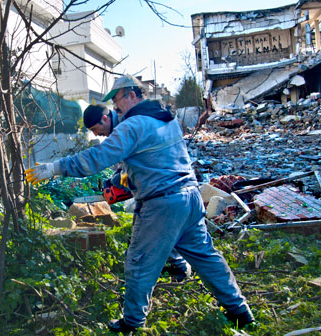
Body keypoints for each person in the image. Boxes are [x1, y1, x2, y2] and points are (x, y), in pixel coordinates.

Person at [27, 75, 254, 332]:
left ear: (132, 94)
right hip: (190, 197)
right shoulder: (165, 118)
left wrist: (55, 167)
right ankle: (240, 311)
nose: (115, 106)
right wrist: (126, 178)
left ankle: (131, 322)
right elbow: (150, 157)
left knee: (139, 262)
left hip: (163, 205)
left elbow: (97, 157)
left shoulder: (132, 126)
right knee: (206, 257)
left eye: (117, 99)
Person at [83, 103, 192, 282]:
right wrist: (119, 175)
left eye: (96, 129)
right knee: (155, 232)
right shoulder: (127, 127)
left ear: (105, 118)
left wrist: (123, 178)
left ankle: (175, 269)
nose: (96, 134)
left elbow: (142, 159)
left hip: (158, 194)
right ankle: (167, 267)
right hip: (156, 193)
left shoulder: (128, 126)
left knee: (159, 234)